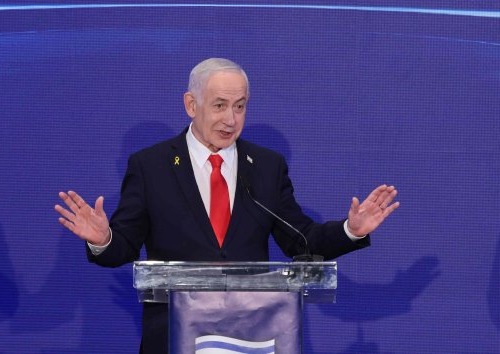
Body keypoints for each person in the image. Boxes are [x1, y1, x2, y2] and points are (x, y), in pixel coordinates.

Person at [56, 58, 399, 353]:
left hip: (252, 338)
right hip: (175, 336)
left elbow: (301, 239)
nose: (231, 119)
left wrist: (350, 231)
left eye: (240, 106)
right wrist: (103, 239)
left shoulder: (266, 166)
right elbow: (125, 246)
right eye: (219, 105)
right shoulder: (151, 166)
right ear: (192, 104)